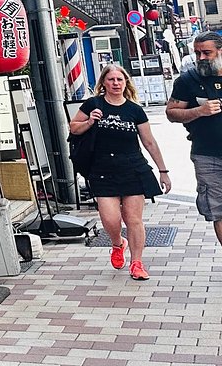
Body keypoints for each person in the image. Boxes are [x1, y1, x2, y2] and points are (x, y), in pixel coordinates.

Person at [69, 63, 171, 280]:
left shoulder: (134, 110)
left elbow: (149, 142)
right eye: (111, 80)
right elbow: (73, 127)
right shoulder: (93, 104)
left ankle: (137, 263)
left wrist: (163, 170)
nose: (116, 83)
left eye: (120, 80)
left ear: (126, 83)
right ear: (103, 83)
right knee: (111, 219)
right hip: (102, 169)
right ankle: (118, 243)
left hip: (132, 167)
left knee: (134, 219)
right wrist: (89, 121)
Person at [166, 31, 222, 246]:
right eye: (197, 53)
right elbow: (171, 113)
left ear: (220, 51)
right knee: (218, 210)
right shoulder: (188, 80)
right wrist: (199, 111)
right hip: (207, 155)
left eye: (206, 53)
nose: (201, 58)